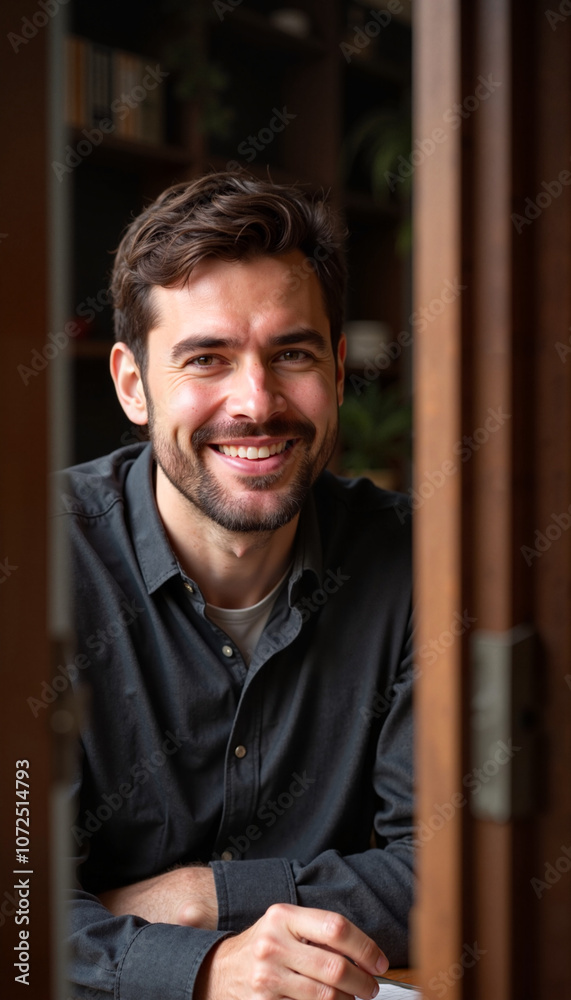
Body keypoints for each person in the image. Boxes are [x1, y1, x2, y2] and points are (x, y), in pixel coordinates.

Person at [58, 171, 414, 1000]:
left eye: (290, 354)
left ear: (333, 366)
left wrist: (200, 900)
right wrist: (205, 971)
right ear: (132, 384)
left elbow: (456, 870)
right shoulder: (36, 564)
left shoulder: (414, 560)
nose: (255, 403)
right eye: (206, 359)